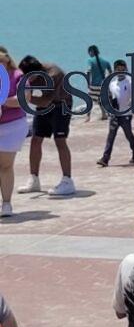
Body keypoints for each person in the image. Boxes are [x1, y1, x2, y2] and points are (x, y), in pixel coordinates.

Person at [17, 56, 75, 196]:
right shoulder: (27, 75)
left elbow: (45, 102)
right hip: (44, 106)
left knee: (60, 141)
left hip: (61, 105)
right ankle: (34, 179)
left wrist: (25, 99)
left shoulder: (54, 74)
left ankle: (67, 181)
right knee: (36, 139)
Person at [96, 60, 134, 168]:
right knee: (111, 136)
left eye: (122, 69)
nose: (120, 72)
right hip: (114, 114)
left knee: (129, 135)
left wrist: (132, 101)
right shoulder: (112, 84)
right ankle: (105, 158)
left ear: (126, 69)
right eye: (118, 70)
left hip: (126, 113)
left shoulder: (130, 82)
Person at [0, 48, 28, 217]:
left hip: (12, 126)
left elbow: (23, 100)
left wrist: (3, 102)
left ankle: (6, 203)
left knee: (5, 166)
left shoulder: (18, 76)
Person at [85, 45, 111, 122]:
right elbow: (110, 72)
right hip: (103, 84)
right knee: (101, 100)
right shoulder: (105, 61)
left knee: (89, 100)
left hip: (94, 85)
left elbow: (89, 70)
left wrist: (88, 82)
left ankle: (87, 117)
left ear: (91, 52)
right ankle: (104, 114)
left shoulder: (90, 60)